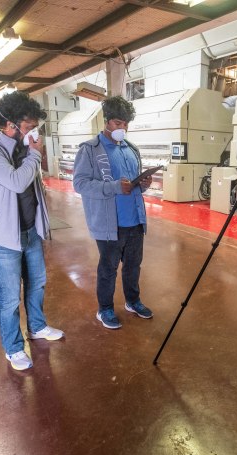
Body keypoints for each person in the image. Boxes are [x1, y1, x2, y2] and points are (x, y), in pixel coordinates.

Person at [0, 91, 64, 371]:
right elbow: (16, 182)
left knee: (37, 284)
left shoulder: (23, 149)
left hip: (28, 230)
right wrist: (34, 155)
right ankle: (13, 348)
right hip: (1, 238)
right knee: (9, 295)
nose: (32, 133)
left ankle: (37, 327)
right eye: (28, 127)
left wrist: (31, 155)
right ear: (9, 124)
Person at [73, 95, 153, 329]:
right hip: (110, 223)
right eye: (118, 123)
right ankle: (105, 309)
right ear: (107, 121)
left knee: (133, 266)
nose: (123, 128)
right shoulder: (90, 150)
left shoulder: (131, 149)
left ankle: (133, 301)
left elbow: (131, 183)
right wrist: (115, 186)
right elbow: (80, 184)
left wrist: (142, 184)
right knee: (108, 268)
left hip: (135, 220)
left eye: (126, 123)